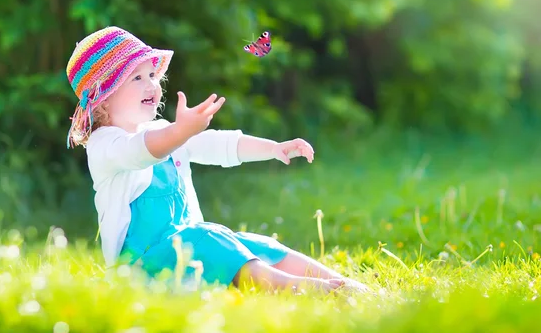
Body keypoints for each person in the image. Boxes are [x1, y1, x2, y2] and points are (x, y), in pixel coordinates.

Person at [65, 26, 369, 295]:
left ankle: (343, 284)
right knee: (209, 237)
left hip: (188, 250)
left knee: (253, 243)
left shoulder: (163, 131)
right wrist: (180, 131)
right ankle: (304, 290)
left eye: (152, 75)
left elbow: (218, 144)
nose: (152, 85)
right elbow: (141, 150)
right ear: (103, 96)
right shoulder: (105, 145)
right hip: (143, 267)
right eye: (137, 77)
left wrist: (273, 148)